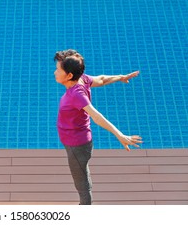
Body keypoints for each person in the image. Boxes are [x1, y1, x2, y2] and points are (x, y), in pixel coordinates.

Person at [53, 49, 142, 205]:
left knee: (81, 183)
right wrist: (121, 77)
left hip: (77, 145)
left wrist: (119, 135)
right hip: (76, 141)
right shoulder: (82, 80)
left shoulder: (76, 94)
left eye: (58, 69)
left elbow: (96, 116)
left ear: (69, 76)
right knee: (82, 172)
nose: (55, 72)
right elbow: (101, 79)